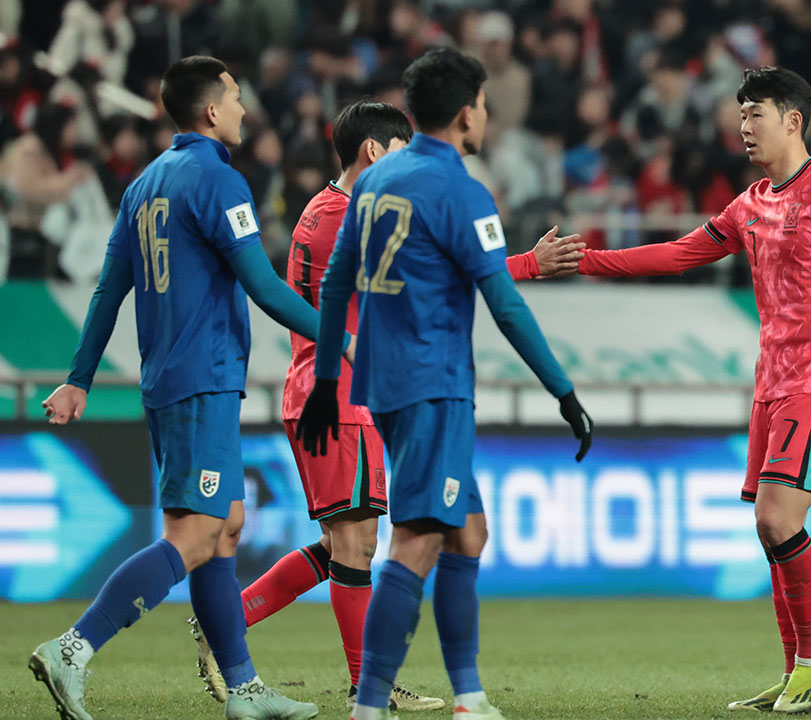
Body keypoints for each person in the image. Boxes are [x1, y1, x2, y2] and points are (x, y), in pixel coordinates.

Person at [563, 66, 811, 714]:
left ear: (793, 120)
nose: (743, 128)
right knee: (768, 531)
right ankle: (794, 670)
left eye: (755, 115)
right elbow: (677, 254)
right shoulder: (750, 204)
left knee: (778, 517)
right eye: (741, 116)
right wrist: (588, 261)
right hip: (772, 381)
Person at [193, 100, 585, 712]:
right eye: (402, 151)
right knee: (355, 549)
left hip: (346, 396)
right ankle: (368, 686)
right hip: (336, 398)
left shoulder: (334, 211)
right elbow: (434, 278)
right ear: (374, 152)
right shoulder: (343, 218)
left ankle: (226, 623)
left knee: (340, 548)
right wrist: (529, 264)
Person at [30, 56, 332, 720]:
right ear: (211, 112)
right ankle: (73, 649)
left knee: (222, 527)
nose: (246, 109)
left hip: (166, 380)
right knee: (197, 537)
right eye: (236, 97)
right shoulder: (219, 181)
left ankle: (245, 691)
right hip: (205, 379)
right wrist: (340, 338)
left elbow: (111, 288)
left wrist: (79, 378)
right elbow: (264, 286)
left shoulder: (143, 185)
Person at [296, 47, 593, 720]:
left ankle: (470, 697)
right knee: (418, 539)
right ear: (467, 113)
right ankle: (369, 703)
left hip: (386, 380)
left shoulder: (375, 180)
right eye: (484, 104)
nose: (486, 115)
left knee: (468, 533)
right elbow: (505, 305)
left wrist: (323, 380)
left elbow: (338, 278)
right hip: (434, 381)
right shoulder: (462, 190)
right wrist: (564, 392)